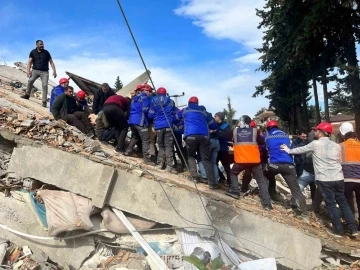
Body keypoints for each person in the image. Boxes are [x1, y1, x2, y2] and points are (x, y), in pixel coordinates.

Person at [282, 122, 358, 237]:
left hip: (324, 179)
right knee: (343, 202)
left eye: (317, 130)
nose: (315, 132)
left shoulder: (315, 144)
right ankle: (353, 229)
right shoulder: (336, 145)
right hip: (338, 178)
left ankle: (338, 230)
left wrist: (288, 150)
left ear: (322, 132)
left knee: (331, 204)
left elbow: (300, 150)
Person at [225, 115, 273, 209]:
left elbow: (224, 136)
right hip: (255, 161)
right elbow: (262, 142)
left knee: (233, 173)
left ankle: (235, 191)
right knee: (261, 181)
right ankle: (267, 204)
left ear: (241, 121)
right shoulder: (255, 131)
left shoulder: (235, 131)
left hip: (241, 161)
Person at [264, 120, 308, 215]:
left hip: (274, 165)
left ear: (268, 128)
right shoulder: (285, 135)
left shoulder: (267, 136)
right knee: (296, 190)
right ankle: (304, 213)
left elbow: (263, 148)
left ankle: (268, 198)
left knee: (265, 175)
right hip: (289, 165)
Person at [177, 96, 218, 189]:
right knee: (206, 159)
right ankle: (211, 183)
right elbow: (213, 124)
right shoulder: (203, 111)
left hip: (190, 136)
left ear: (188, 102)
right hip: (204, 137)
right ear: (197, 103)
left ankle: (194, 177)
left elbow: (176, 117)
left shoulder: (185, 110)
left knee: (191, 156)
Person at [148, 87, 177, 173]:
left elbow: (150, 115)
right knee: (169, 146)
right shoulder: (171, 102)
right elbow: (174, 114)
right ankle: (169, 167)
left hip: (159, 127)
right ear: (165, 93)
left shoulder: (153, 101)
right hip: (168, 126)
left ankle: (160, 164)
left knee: (161, 146)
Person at [21, 40, 57, 107]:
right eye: (40, 44)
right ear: (37, 45)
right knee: (30, 81)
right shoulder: (33, 52)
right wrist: (28, 71)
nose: (42, 46)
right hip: (35, 70)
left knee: (45, 85)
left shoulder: (46, 53)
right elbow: (29, 62)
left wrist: (54, 71)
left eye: (42, 44)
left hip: (44, 72)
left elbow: (51, 62)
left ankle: (44, 102)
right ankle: (27, 95)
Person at [125, 84, 154, 165]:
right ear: (146, 91)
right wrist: (151, 113)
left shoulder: (135, 98)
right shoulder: (145, 98)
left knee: (135, 137)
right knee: (146, 139)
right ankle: (146, 159)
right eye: (150, 92)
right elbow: (145, 110)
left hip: (132, 121)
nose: (150, 94)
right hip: (140, 121)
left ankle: (128, 151)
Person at [338, 122, 360, 230]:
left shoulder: (340, 146)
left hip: (346, 179)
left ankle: (351, 223)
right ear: (355, 137)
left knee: (346, 201)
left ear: (344, 137)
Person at [292, 128, 316, 200]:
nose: (304, 138)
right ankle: (296, 201)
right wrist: (303, 145)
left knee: (312, 185)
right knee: (299, 185)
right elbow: (294, 149)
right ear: (298, 135)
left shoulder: (308, 141)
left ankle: (314, 201)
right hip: (299, 165)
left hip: (308, 167)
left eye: (306, 137)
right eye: (303, 137)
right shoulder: (295, 142)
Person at [213, 112, 232, 185]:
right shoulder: (214, 125)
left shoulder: (226, 126)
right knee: (214, 164)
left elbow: (227, 136)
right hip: (215, 148)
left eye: (215, 116)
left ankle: (230, 181)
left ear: (219, 117)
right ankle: (221, 177)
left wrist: (216, 132)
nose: (214, 117)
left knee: (226, 166)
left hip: (223, 148)